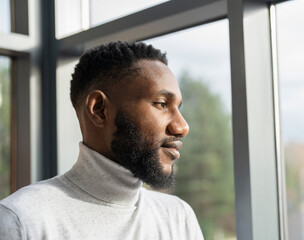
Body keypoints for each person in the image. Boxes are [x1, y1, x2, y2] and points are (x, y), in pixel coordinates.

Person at [0, 41, 204, 240]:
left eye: (179, 108)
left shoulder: (178, 217)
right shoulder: (21, 219)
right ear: (99, 109)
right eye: (161, 104)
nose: (182, 127)